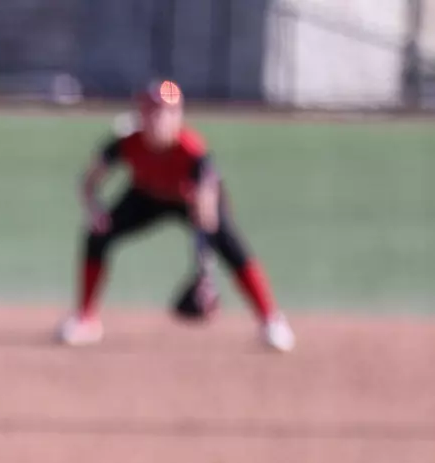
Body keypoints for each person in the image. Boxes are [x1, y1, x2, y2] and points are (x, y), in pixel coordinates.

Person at [57, 80, 295, 352]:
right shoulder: (126, 143)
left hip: (189, 200)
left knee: (232, 246)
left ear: (178, 115)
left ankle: (272, 321)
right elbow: (87, 182)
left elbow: (209, 204)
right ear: (141, 114)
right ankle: (85, 320)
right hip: (145, 196)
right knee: (96, 236)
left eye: (168, 112)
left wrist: (205, 272)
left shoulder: (191, 149)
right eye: (153, 111)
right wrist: (95, 211)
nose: (160, 118)